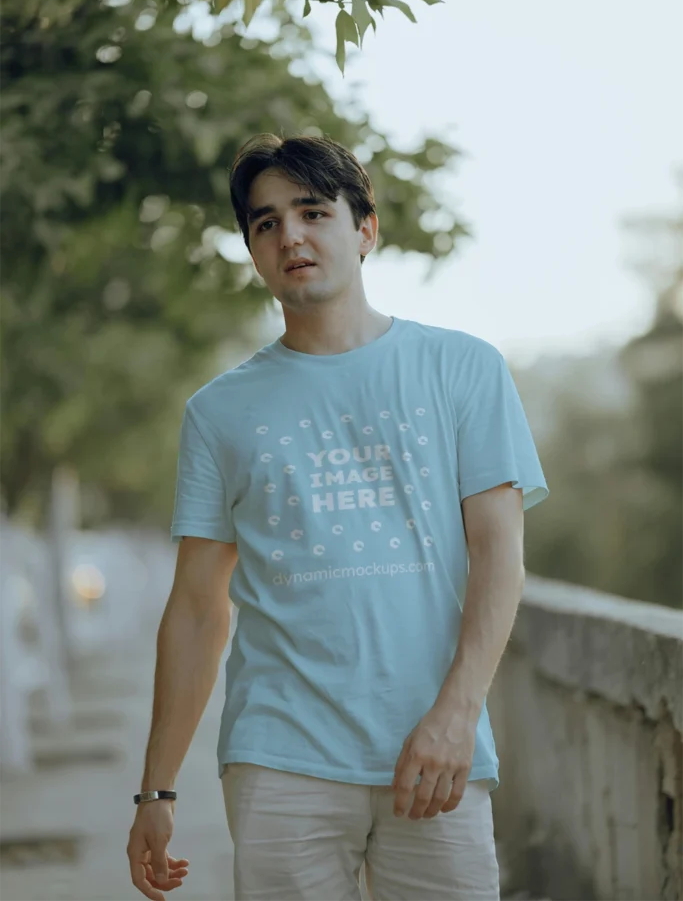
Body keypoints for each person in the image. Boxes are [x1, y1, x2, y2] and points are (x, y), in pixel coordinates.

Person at [127, 133, 549, 901]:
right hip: (279, 760)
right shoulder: (218, 412)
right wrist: (155, 791)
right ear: (252, 249)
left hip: (435, 751)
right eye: (265, 223)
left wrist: (456, 716)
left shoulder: (462, 369)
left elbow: (499, 559)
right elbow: (194, 610)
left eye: (312, 212)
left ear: (364, 229)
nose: (289, 235)